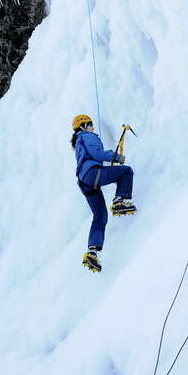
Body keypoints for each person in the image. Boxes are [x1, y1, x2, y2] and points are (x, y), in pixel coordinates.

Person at [71, 114, 137, 272]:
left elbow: (91, 157)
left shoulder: (78, 144)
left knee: (100, 216)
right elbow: (97, 154)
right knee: (126, 171)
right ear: (83, 126)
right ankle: (119, 201)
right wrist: (117, 157)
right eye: (90, 124)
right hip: (92, 173)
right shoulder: (87, 136)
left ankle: (92, 252)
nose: (93, 127)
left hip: (84, 182)